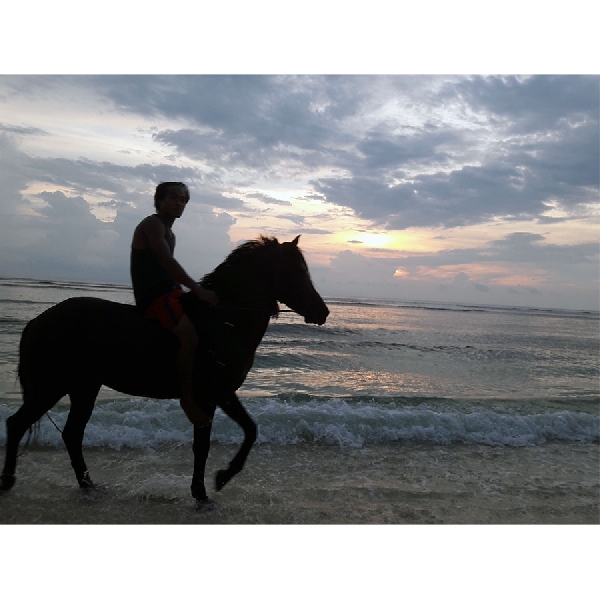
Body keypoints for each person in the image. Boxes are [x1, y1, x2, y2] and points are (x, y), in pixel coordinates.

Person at [130, 182, 218, 428]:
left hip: (170, 292)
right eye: (174, 198)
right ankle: (188, 401)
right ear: (159, 200)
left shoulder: (171, 233)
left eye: (183, 200)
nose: (179, 204)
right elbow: (166, 262)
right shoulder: (152, 225)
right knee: (189, 336)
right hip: (154, 297)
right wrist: (197, 289)